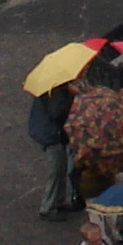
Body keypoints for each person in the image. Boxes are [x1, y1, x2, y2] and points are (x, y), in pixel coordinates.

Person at [30, 82, 78, 217]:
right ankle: (48, 207)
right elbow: (57, 111)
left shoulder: (50, 86)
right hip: (50, 135)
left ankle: (58, 201)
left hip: (49, 132)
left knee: (60, 168)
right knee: (56, 170)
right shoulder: (56, 92)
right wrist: (71, 96)